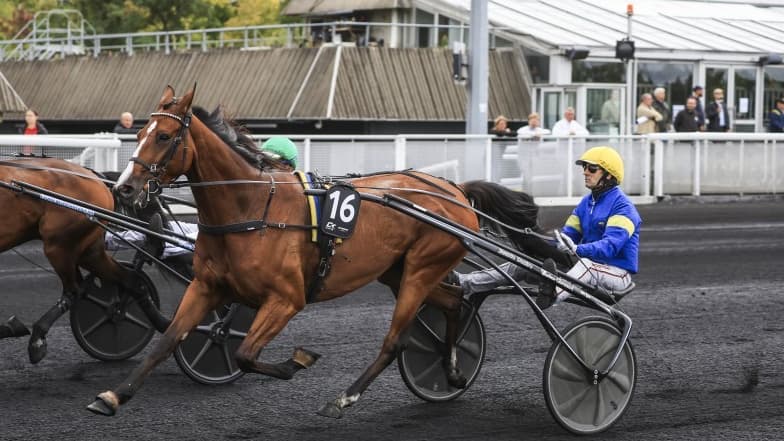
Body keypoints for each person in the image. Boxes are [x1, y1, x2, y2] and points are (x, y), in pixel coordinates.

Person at [451, 146, 641, 308]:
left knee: (585, 264)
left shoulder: (623, 207)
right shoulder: (586, 203)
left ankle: (553, 294)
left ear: (609, 175)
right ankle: (464, 283)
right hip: (584, 268)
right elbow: (568, 236)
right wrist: (538, 240)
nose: (585, 172)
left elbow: (609, 247)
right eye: (584, 167)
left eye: (592, 168)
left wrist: (576, 249)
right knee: (522, 262)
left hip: (616, 275)